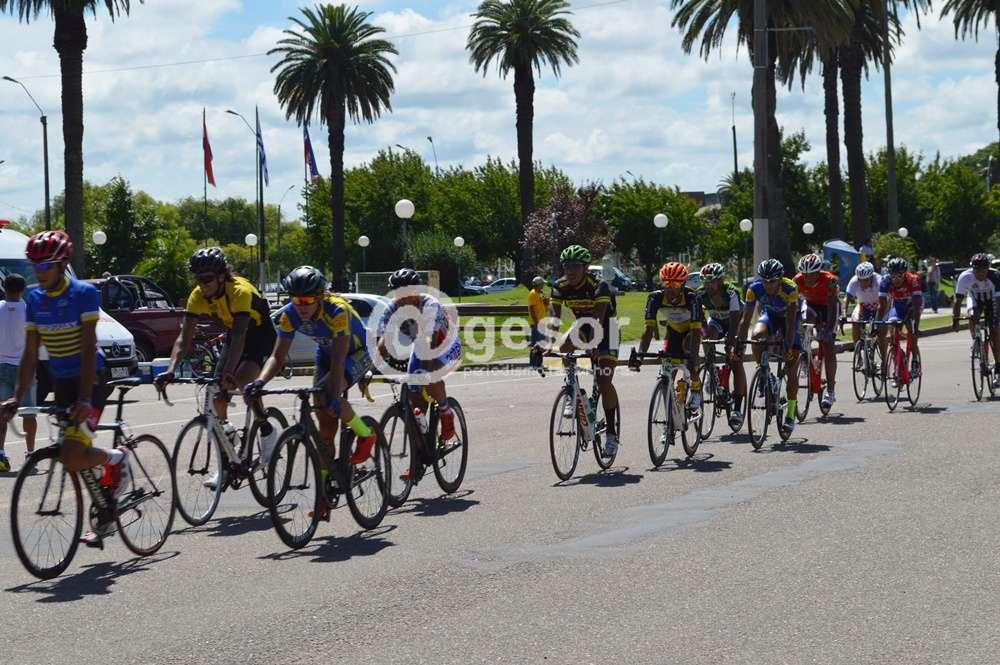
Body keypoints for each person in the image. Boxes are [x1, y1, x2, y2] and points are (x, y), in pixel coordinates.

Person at [0, 230, 128, 546]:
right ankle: (104, 508)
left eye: (45, 266)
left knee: (71, 456)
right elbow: (31, 353)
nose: (40, 273)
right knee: (72, 450)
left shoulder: (83, 293)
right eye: (35, 266)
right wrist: (16, 396)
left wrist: (84, 398)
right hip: (62, 381)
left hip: (91, 379)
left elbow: (87, 348)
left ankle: (117, 458)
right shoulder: (35, 300)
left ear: (62, 264)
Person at [246, 266, 375, 520]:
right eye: (296, 300)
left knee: (328, 396)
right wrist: (259, 381)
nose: (301, 306)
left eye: (307, 300)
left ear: (320, 296)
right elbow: (277, 356)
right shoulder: (290, 315)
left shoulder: (337, 311)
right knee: (324, 436)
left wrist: (333, 393)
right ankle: (324, 497)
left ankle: (366, 433)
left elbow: (339, 360)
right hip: (325, 354)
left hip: (356, 352)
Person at [154, 247, 278, 484]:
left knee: (243, 382)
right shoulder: (197, 296)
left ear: (222, 276)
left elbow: (240, 337)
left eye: (208, 279)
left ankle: (266, 429)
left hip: (259, 336)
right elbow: (184, 339)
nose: (203, 285)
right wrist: (170, 370)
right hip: (235, 336)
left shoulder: (239, 290)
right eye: (199, 279)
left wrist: (230, 374)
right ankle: (228, 459)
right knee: (217, 395)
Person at [376, 268, 462, 477]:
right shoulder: (391, 309)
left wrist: (421, 374)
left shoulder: (429, 305)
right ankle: (419, 458)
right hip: (421, 345)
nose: (403, 298)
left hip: (445, 345)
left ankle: (446, 412)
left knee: (429, 373)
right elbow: (384, 343)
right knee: (415, 407)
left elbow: (429, 345)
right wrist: (371, 369)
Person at [545, 245, 621, 456]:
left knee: (604, 381)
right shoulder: (560, 285)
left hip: (607, 330)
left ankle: (612, 434)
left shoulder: (599, 285)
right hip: (583, 327)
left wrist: (593, 346)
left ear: (586, 267)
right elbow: (554, 319)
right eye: (566, 266)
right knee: (564, 347)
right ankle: (572, 391)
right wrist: (545, 343)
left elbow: (598, 318)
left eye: (575, 266)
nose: (570, 271)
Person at [629, 262, 704, 417]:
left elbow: (696, 331)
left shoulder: (692, 298)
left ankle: (696, 388)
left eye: (674, 284)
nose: (670, 288)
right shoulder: (655, 298)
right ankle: (671, 416)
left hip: (693, 330)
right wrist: (640, 355)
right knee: (666, 367)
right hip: (674, 330)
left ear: (682, 284)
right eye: (666, 283)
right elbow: (648, 329)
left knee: (688, 350)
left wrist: (693, 357)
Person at [737, 258, 801, 433]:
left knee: (791, 368)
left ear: (780, 279)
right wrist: (739, 344)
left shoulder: (790, 288)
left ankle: (791, 413)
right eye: (764, 281)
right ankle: (764, 371)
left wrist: (788, 345)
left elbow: (790, 321)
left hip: (790, 320)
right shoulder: (754, 289)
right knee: (756, 336)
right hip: (771, 316)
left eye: (772, 281)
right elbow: (745, 320)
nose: (768, 285)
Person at [695, 262, 745, 428]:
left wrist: (731, 343)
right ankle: (711, 370)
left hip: (735, 322)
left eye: (712, 281)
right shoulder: (700, 293)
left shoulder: (731, 292)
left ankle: (737, 409)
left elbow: (735, 318)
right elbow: (699, 318)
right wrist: (703, 333)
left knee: (735, 360)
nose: (708, 285)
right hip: (716, 321)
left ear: (721, 280)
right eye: (705, 281)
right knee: (708, 336)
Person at [0, 274, 37, 471]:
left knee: (2, 413)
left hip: (1, 365)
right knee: (29, 413)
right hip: (24, 367)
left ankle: (0, 455)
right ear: (23, 290)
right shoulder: (29, 310)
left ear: (4, 288)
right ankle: (30, 454)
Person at [794, 253, 840, 409]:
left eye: (812, 274)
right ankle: (806, 354)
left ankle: (831, 391)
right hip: (811, 305)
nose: (807, 278)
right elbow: (794, 305)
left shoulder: (829, 281)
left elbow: (833, 308)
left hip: (829, 308)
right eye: (805, 274)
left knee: (828, 345)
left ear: (818, 272)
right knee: (804, 322)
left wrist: (828, 331)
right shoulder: (797, 280)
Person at [952, 253, 1000, 387]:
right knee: (973, 314)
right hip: (975, 299)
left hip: (992, 300)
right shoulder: (965, 277)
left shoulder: (995, 276)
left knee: (995, 331)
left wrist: (996, 319)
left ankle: (998, 367)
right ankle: (976, 341)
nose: (980, 273)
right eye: (977, 270)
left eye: (983, 270)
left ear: (988, 268)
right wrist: (955, 320)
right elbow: (958, 301)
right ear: (972, 269)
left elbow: (998, 302)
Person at [878, 257, 924, 375]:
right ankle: (898, 361)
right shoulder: (885, 281)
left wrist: (916, 327)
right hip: (898, 304)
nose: (896, 279)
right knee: (892, 326)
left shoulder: (913, 280)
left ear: (905, 273)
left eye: (899, 275)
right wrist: (876, 326)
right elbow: (882, 306)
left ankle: (914, 360)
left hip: (913, 305)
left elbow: (917, 306)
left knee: (911, 328)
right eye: (893, 276)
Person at [845, 262, 883, 345]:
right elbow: (847, 298)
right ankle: (857, 348)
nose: (863, 283)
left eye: (865, 280)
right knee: (855, 322)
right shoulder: (854, 281)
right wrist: (844, 315)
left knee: (881, 332)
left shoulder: (879, 281)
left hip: (879, 307)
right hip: (863, 306)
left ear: (871, 277)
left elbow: (884, 303)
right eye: (860, 280)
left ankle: (883, 352)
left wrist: (876, 323)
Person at [527, 276, 549, 369]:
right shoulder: (533, 294)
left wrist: (546, 303)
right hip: (536, 323)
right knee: (535, 344)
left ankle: (539, 364)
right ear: (538, 284)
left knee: (541, 344)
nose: (543, 285)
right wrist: (536, 323)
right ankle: (533, 364)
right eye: (542, 284)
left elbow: (544, 308)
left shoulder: (541, 293)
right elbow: (531, 309)